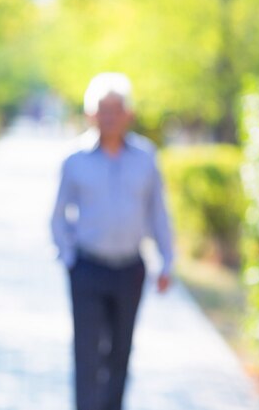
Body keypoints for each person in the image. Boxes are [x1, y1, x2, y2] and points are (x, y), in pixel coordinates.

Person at [51, 72, 173, 410]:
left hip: (131, 269)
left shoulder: (147, 157)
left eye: (117, 109)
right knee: (87, 352)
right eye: (103, 109)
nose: (110, 116)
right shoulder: (73, 158)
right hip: (87, 268)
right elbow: (58, 216)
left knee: (121, 352)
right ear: (92, 115)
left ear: (128, 114)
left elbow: (159, 213)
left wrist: (168, 259)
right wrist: (68, 258)